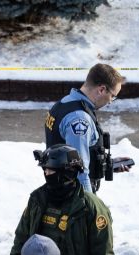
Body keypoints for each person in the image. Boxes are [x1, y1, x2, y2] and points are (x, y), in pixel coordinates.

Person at [5, 145, 116, 255]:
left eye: (51, 171)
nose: (46, 174)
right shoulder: (37, 200)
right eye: (45, 170)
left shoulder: (91, 208)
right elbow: (21, 242)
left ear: (67, 173)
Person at [44, 63, 126, 192]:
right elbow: (79, 171)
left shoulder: (66, 102)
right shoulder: (79, 119)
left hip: (59, 190)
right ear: (102, 89)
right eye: (112, 96)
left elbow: (65, 155)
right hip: (73, 196)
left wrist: (107, 165)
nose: (111, 101)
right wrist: (88, 201)